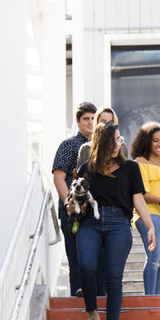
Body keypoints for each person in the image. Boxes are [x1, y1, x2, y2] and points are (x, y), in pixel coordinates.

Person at [74, 122, 155, 320]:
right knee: (87, 265)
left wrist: (150, 226)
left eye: (120, 139)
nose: (118, 144)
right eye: (113, 140)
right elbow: (76, 198)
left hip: (119, 222)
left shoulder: (130, 168)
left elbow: (138, 199)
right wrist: (71, 205)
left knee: (113, 277)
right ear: (101, 142)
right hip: (91, 222)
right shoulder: (86, 168)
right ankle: (92, 314)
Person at [76, 106, 129, 297]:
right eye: (103, 121)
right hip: (90, 209)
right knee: (90, 257)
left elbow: (125, 178)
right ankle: (93, 292)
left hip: (114, 210)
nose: (106, 125)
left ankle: (104, 292)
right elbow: (81, 179)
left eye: (111, 122)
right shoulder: (85, 149)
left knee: (110, 258)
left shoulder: (121, 148)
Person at [52, 101, 97, 296]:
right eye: (86, 119)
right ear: (78, 121)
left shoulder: (102, 147)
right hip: (73, 212)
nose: (90, 123)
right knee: (76, 258)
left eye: (94, 119)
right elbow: (59, 177)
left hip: (94, 209)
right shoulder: (69, 145)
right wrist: (67, 205)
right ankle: (77, 301)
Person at [130, 122, 160, 295]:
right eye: (155, 141)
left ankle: (157, 302)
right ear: (146, 142)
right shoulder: (140, 162)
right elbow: (139, 192)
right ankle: (148, 301)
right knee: (154, 259)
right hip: (149, 215)